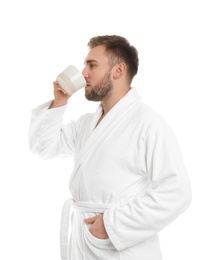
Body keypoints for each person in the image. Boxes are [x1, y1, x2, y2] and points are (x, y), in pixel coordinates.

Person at [29, 35, 192, 260]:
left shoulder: (148, 123)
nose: (83, 73)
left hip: (121, 247)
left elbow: (177, 192)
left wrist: (111, 225)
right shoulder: (87, 124)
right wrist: (59, 101)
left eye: (92, 65)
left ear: (118, 70)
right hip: (84, 244)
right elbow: (42, 146)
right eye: (85, 65)